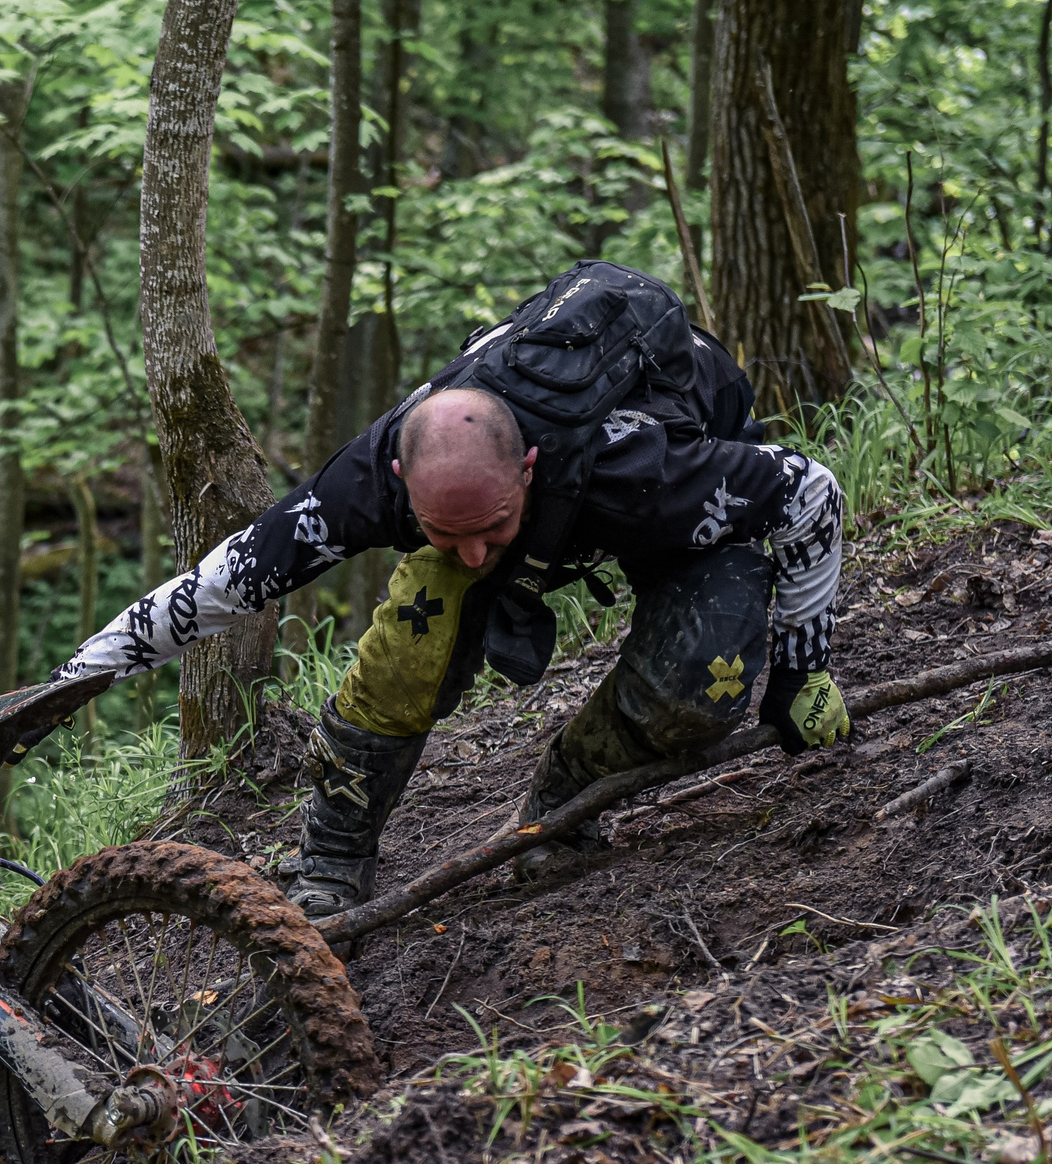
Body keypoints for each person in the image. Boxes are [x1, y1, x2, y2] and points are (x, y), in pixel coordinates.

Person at [56, 260, 851, 919]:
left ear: (528, 470)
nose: (471, 553)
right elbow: (223, 580)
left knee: (701, 679)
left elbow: (812, 490)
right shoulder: (371, 478)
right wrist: (71, 681)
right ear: (403, 483)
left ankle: (564, 800)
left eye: (490, 527)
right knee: (410, 640)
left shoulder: (638, 468)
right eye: (445, 529)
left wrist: (800, 674)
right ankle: (332, 855)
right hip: (532, 497)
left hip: (665, 505)